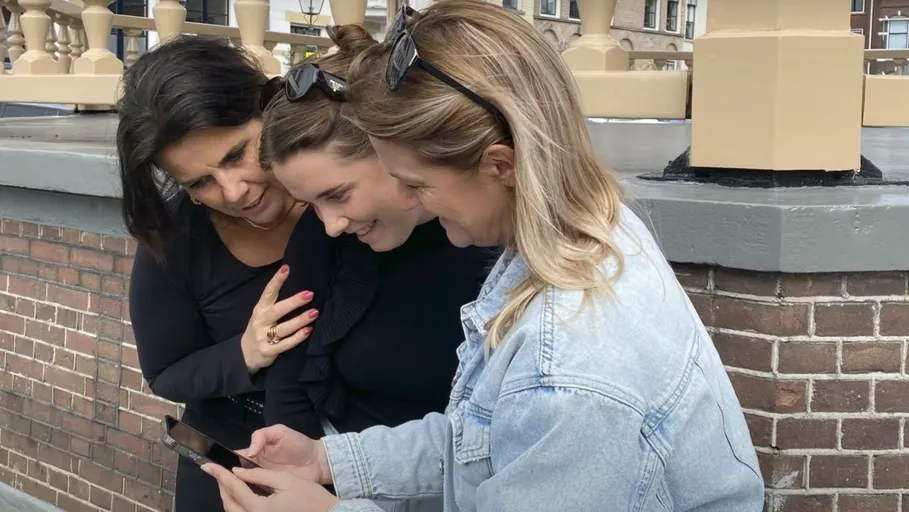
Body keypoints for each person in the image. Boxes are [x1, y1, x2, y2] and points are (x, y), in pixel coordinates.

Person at [202, 1, 766, 511]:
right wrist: (331, 462)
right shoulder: (588, 233)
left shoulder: (567, 369)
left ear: (500, 165)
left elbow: (536, 413)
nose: (405, 200)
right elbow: (489, 441)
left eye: (417, 185)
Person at [120, 31, 496, 512]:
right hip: (251, 453)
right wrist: (245, 354)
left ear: (270, 112)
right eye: (200, 182)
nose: (233, 191)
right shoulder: (177, 238)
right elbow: (169, 372)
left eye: (238, 154)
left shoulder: (422, 222)